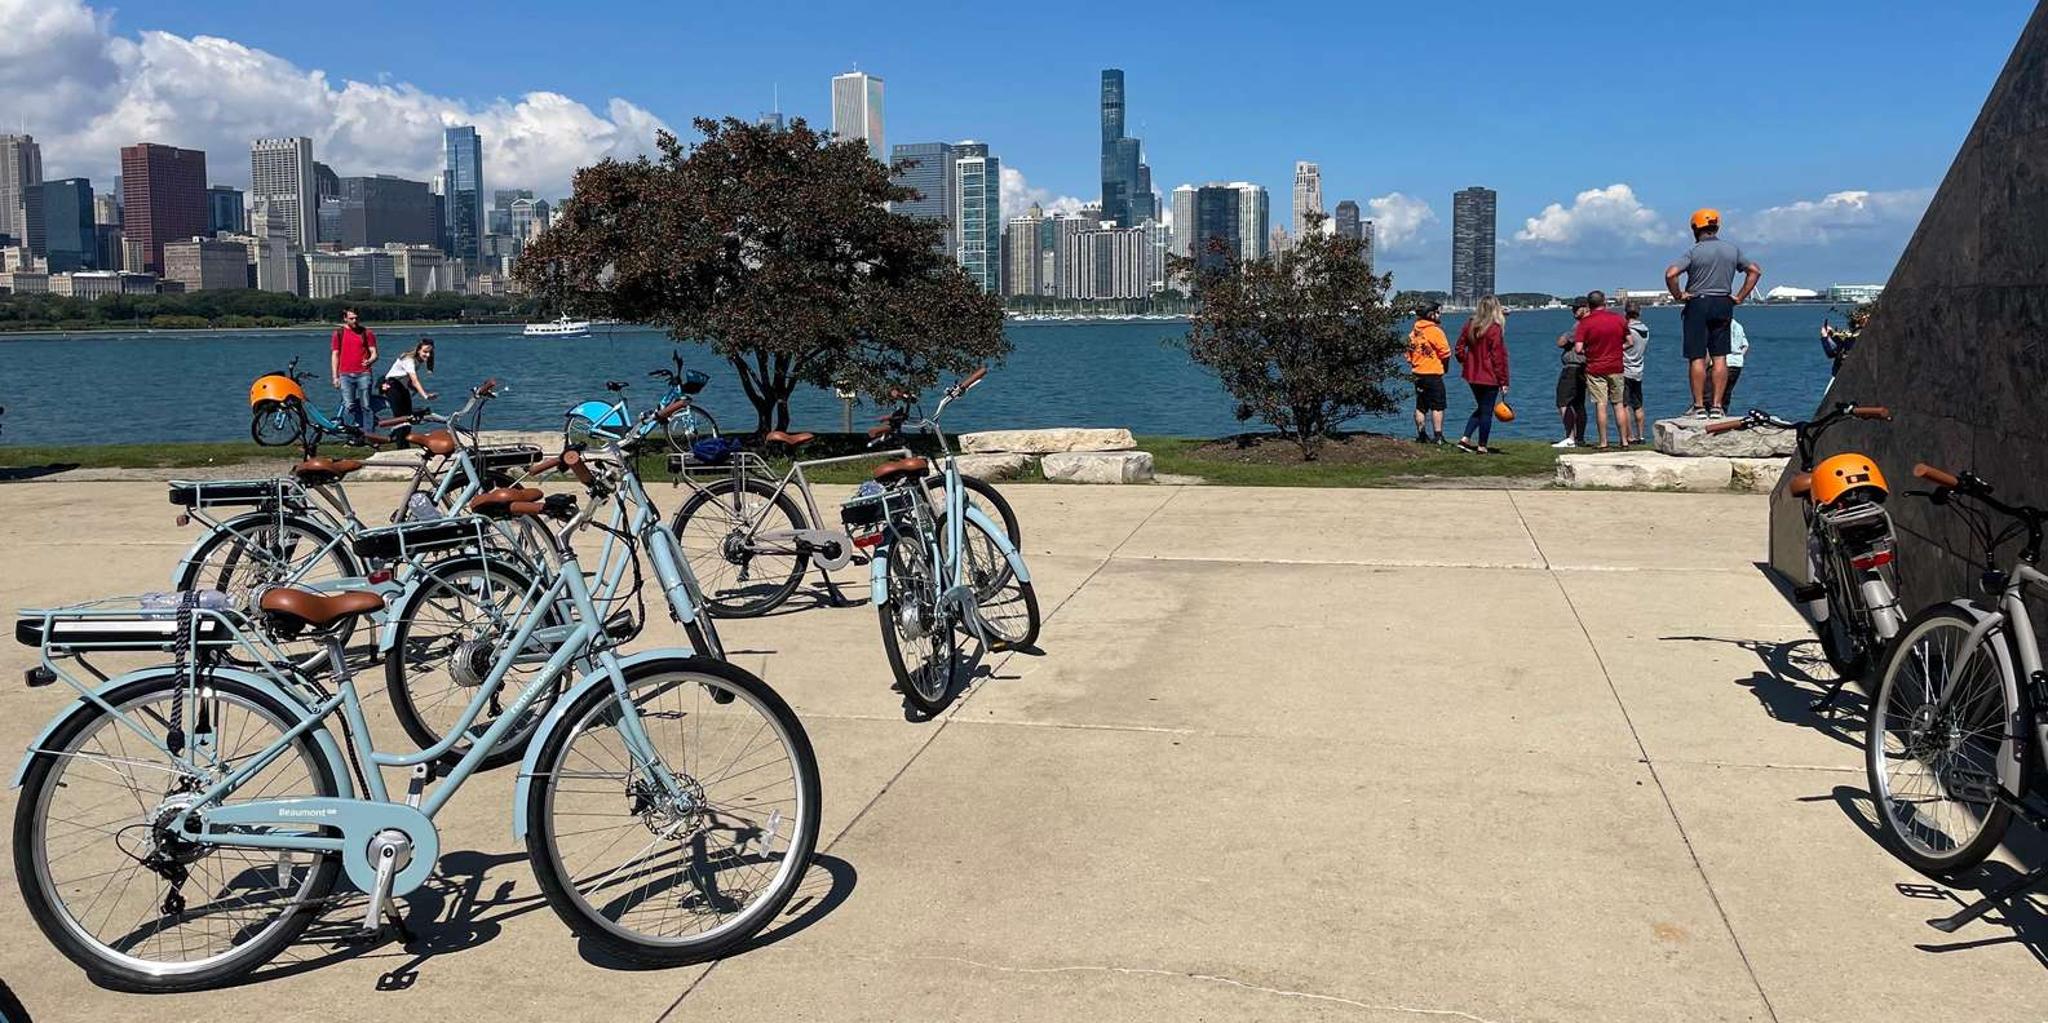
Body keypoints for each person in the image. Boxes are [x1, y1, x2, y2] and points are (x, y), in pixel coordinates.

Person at [1664, 208, 1762, 418]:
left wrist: (1678, 295)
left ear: (1695, 228)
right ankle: (1717, 406)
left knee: (1697, 357)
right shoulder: (1732, 250)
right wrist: (1740, 297)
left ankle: (1699, 406)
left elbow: (1671, 274)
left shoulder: (1694, 251)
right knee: (1720, 357)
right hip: (1723, 303)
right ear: (1716, 227)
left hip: (1698, 303)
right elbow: (1755, 271)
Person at [1454, 294, 1511, 454]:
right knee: (1486, 411)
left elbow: (1459, 348)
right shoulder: (1494, 328)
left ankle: (1465, 439)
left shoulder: (1471, 325)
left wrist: (1466, 362)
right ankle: (1482, 445)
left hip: (1473, 374)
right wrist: (1504, 381)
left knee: (1482, 408)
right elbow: (1498, 358)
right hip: (1488, 376)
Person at [1573, 290, 1630, 449]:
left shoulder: (1585, 323)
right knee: (1618, 404)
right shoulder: (1618, 319)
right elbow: (1630, 341)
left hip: (1595, 367)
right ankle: (1624, 440)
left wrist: (1590, 351)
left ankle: (1603, 442)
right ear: (1604, 302)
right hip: (1616, 366)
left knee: (1601, 404)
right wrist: (1617, 349)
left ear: (1589, 305)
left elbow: (1578, 349)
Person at [1406, 301, 1452, 444]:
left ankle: (1421, 434)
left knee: (1421, 406)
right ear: (1431, 314)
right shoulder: (1435, 331)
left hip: (1418, 373)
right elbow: (1445, 353)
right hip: (1433, 373)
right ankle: (1438, 436)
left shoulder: (1414, 333)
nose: (1439, 315)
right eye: (1437, 312)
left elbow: (1408, 354)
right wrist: (1445, 367)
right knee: (1438, 405)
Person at [330, 307, 379, 434]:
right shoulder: (339, 334)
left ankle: (369, 434)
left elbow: (374, 353)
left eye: (356, 318)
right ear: (345, 318)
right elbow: (335, 355)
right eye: (351, 318)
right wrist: (335, 377)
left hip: (364, 373)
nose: (354, 321)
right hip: (345, 375)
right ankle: (352, 434)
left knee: (366, 406)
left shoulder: (366, 333)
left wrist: (370, 360)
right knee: (349, 405)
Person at [1553, 297, 1589, 448]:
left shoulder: (1580, 325)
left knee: (1563, 402)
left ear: (1586, 308)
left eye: (1577, 308)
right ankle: (1579, 437)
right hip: (1584, 368)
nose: (1573, 311)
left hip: (1573, 368)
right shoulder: (1590, 324)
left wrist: (1566, 337)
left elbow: (1561, 342)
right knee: (1579, 404)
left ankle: (1570, 437)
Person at [380, 338, 437, 420]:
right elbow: (415, 380)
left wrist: (414, 388)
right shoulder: (409, 360)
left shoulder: (418, 361)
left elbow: (407, 378)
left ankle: (423, 414)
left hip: (402, 387)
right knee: (400, 416)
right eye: (425, 352)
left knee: (408, 414)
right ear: (418, 350)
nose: (428, 355)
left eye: (430, 352)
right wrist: (425, 396)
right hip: (391, 385)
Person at [1622, 302, 1650, 444]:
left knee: (1624, 405)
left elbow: (1626, 344)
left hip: (1625, 369)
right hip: (1638, 370)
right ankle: (1641, 435)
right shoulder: (1645, 330)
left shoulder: (1626, 329)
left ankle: (1630, 436)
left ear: (1626, 313)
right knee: (1638, 405)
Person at [1722, 319, 1750, 410]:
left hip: (1723, 361)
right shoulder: (1739, 326)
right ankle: (1723, 410)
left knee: (1713, 390)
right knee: (1728, 391)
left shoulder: (1718, 325)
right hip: (1737, 362)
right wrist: (1740, 356)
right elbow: (1745, 345)